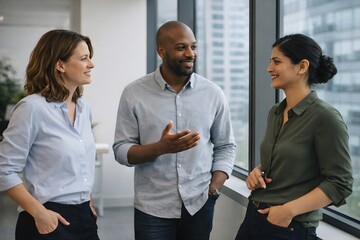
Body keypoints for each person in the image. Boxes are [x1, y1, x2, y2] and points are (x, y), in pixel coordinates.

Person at [113, 20, 236, 240]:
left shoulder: (213, 93)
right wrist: (159, 148)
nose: (190, 53)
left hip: (200, 204)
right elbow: (121, 150)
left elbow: (226, 145)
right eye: (181, 47)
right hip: (152, 209)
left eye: (194, 46)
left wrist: (214, 188)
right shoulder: (134, 93)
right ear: (162, 51)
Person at [235, 33, 353, 240]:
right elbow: (286, 157)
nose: (269, 68)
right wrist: (258, 171)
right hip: (254, 216)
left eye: (276, 61)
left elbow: (340, 183)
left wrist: (287, 211)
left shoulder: (325, 117)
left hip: (289, 227)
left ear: (302, 66)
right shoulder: (275, 112)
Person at [0, 29, 100, 240]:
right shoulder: (31, 108)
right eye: (84, 59)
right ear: (60, 65)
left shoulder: (84, 108)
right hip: (47, 218)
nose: (91, 65)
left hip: (84, 217)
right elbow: (4, 170)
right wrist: (39, 213)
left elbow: (82, 162)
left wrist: (87, 201)